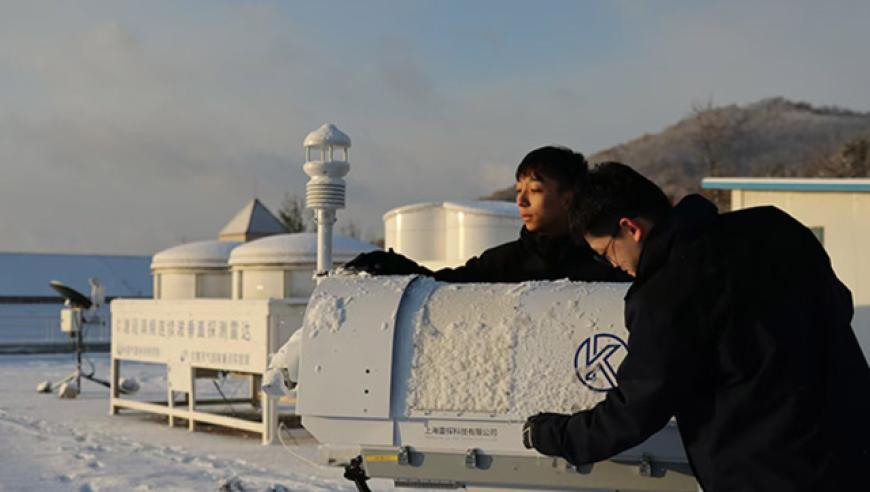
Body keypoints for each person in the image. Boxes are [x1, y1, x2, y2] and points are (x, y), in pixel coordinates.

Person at [522, 162, 870, 491]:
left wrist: (552, 434)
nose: (613, 265)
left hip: (769, 474)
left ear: (631, 228)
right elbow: (838, 304)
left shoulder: (665, 294)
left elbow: (636, 408)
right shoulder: (775, 227)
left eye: (607, 251)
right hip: (853, 448)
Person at [344, 146, 630, 283]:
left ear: (568, 198)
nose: (521, 200)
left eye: (535, 190)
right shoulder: (504, 262)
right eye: (519, 189)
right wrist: (394, 265)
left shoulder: (612, 258)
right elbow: (443, 286)